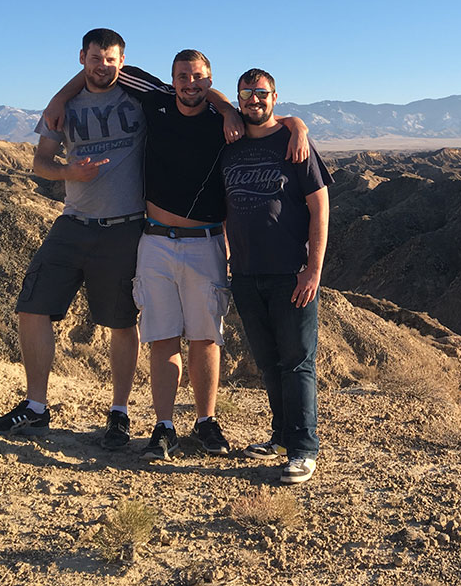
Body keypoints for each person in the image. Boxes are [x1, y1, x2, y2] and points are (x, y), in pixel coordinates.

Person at [45, 50, 308, 460]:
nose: (190, 83)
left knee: (206, 337)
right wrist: (60, 99)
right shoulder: (156, 101)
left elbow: (270, 122)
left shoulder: (227, 123)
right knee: (161, 336)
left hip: (205, 243)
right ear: (171, 80)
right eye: (183, 76)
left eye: (198, 77)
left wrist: (295, 123)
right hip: (155, 241)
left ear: (209, 80)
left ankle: (206, 422)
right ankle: (163, 426)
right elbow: (101, 71)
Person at [0, 28, 144, 447]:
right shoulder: (64, 108)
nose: (102, 65)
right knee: (32, 307)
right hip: (72, 223)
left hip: (125, 228)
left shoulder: (142, 97)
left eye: (110, 59)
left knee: (122, 322)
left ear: (122, 61)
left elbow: (192, 89)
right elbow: (39, 163)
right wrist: (70, 172)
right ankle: (36, 407)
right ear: (82, 58)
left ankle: (119, 413)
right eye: (94, 58)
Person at [220, 68, 331, 484]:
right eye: (246, 93)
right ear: (238, 98)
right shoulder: (227, 146)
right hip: (246, 274)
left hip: (291, 274)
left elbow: (320, 206)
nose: (254, 100)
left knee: (297, 361)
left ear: (274, 97)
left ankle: (304, 449)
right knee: (268, 362)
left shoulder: (293, 142)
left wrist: (313, 270)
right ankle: (282, 438)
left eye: (261, 93)